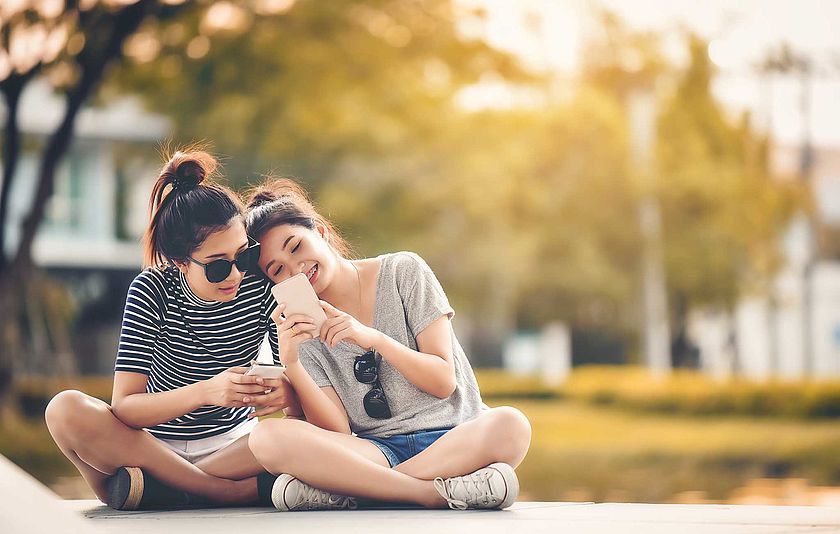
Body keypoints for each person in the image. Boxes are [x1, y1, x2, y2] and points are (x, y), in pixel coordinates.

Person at [244, 179, 532, 511]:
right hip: (377, 450)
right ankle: (434, 491)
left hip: (455, 436)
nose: (296, 268)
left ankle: (355, 492)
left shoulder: (404, 271)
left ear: (320, 232)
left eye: (296, 247)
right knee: (266, 438)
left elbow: (442, 382)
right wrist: (292, 364)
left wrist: (372, 338)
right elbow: (336, 431)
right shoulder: (299, 328)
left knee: (512, 425)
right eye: (277, 270)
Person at [45, 151, 296, 510]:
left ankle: (161, 490)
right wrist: (207, 391)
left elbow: (294, 381)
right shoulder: (152, 289)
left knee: (297, 433)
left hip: (235, 446)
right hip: (150, 448)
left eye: (243, 256)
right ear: (180, 261)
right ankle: (223, 492)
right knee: (64, 409)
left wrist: (282, 390)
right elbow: (126, 408)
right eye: (216, 267)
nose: (237, 274)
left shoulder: (260, 282)